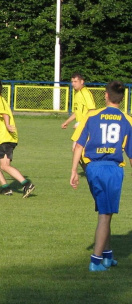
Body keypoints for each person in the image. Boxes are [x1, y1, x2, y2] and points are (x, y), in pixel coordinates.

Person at [70, 80, 132, 272]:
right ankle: (95, 262)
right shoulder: (127, 119)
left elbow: (78, 145)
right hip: (111, 169)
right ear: (122, 99)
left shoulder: (92, 115)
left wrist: (73, 171)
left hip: (92, 168)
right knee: (105, 215)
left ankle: (107, 256)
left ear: (106, 95)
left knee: (105, 212)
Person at [63, 73, 96, 171]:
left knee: (77, 149)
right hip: (81, 126)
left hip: (86, 126)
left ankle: (91, 171)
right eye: (72, 81)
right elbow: (77, 112)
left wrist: (81, 123)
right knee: (78, 150)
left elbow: (92, 110)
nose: (73, 84)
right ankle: (91, 171)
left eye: (75, 81)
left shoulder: (85, 92)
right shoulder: (77, 93)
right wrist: (67, 121)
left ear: (82, 82)